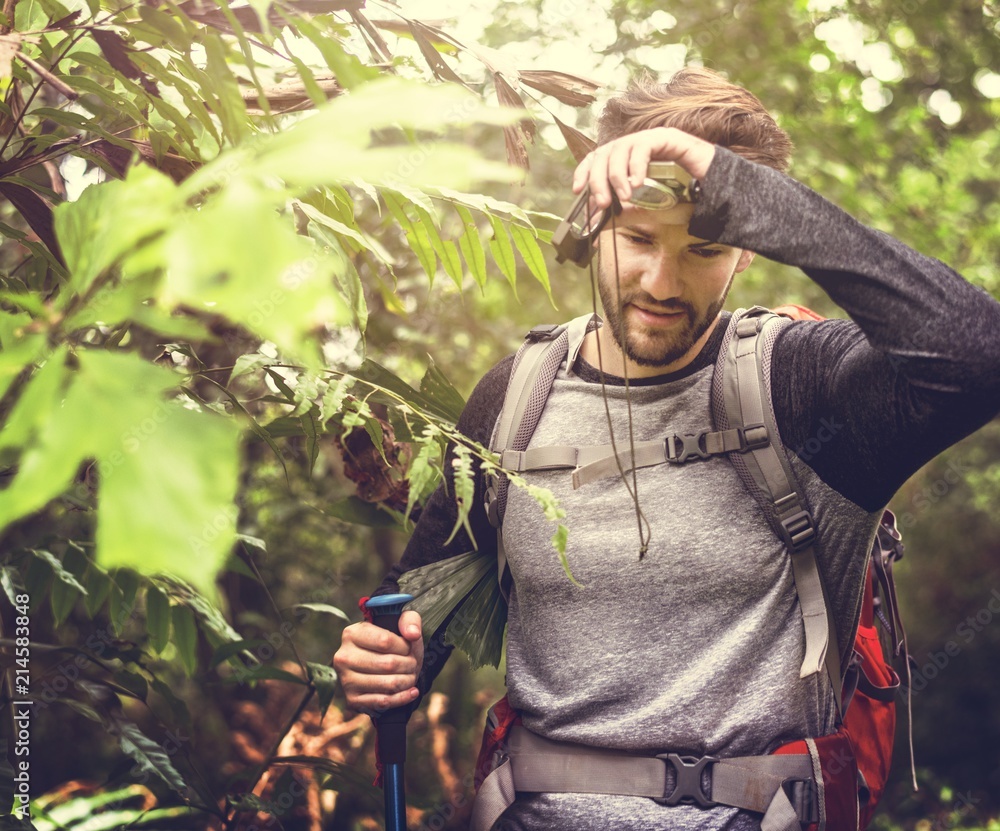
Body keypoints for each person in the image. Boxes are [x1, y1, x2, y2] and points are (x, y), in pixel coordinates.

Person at [333, 67, 1000, 830]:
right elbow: (419, 609)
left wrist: (739, 187)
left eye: (705, 249)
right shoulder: (514, 398)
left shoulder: (804, 386)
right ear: (593, 223)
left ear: (747, 249)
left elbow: (977, 353)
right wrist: (383, 662)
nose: (662, 281)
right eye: (638, 239)